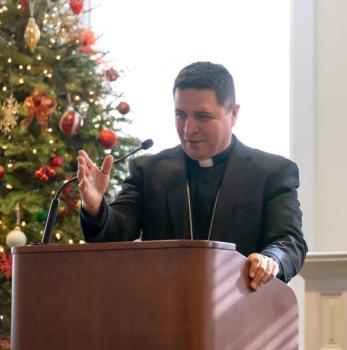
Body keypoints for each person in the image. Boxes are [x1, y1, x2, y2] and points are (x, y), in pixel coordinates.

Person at [77, 61, 307, 291]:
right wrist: (95, 206)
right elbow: (116, 233)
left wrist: (270, 260)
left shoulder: (271, 173)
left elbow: (289, 241)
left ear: (233, 114)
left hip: (241, 311)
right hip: (163, 312)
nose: (188, 129)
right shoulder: (149, 171)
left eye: (202, 116)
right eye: (180, 114)